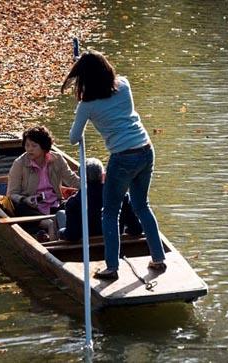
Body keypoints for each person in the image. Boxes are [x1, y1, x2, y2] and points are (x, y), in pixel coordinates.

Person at [61, 50, 166, 280]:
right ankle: (158, 258)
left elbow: (73, 137)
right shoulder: (124, 86)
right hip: (146, 150)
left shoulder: (86, 105)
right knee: (141, 205)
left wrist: (80, 111)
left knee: (109, 212)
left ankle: (111, 267)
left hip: (123, 157)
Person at [7, 126, 80, 240]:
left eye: (34, 146)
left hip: (54, 203)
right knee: (19, 206)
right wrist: (25, 199)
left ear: (44, 147)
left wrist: (90, 186)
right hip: (32, 207)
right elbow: (11, 194)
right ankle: (49, 224)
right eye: (27, 145)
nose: (29, 149)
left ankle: (57, 226)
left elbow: (72, 179)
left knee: (74, 203)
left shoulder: (57, 159)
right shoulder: (19, 164)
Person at [56, 157, 142, 241]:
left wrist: (61, 233)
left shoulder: (73, 203)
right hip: (115, 243)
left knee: (60, 216)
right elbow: (136, 229)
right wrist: (125, 231)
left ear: (81, 179)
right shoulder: (122, 196)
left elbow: (72, 236)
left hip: (86, 249)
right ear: (103, 176)